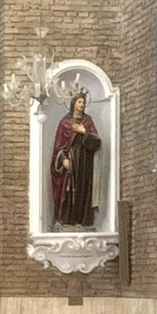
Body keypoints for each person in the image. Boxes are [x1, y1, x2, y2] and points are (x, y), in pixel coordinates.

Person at [50, 92, 102, 228]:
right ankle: (64, 219)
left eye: (84, 102)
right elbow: (59, 145)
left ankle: (80, 220)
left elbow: (97, 142)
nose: (82, 105)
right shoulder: (65, 122)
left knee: (82, 189)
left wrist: (84, 132)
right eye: (79, 102)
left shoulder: (87, 121)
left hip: (85, 160)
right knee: (67, 189)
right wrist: (63, 159)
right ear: (74, 103)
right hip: (71, 158)